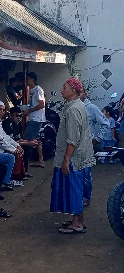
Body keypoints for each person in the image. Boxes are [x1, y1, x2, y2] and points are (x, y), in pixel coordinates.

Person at [50, 78, 95, 234]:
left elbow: (72, 139)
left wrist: (66, 159)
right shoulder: (77, 106)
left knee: (74, 189)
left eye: (65, 87)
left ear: (73, 91)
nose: (62, 89)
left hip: (75, 158)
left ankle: (76, 223)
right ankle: (79, 219)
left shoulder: (73, 110)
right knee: (78, 188)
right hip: (81, 156)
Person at [80, 89, 109, 206]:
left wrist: (98, 138)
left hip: (86, 147)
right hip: (72, 147)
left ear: (85, 94)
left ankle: (86, 198)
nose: (78, 94)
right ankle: (76, 198)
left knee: (86, 174)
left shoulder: (91, 108)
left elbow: (105, 123)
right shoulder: (71, 107)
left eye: (80, 92)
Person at [0, 102, 24, 187]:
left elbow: (6, 137)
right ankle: (5, 181)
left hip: (2, 148)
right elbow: (1, 141)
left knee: (19, 152)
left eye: (3, 110)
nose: (2, 112)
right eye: (0, 109)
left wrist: (16, 145)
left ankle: (8, 180)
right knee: (11, 156)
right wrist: (13, 149)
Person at [3, 106, 39, 179]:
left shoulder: (16, 125)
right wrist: (28, 143)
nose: (19, 118)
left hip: (13, 144)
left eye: (20, 116)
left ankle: (24, 171)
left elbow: (19, 139)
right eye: (17, 115)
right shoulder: (7, 124)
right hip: (6, 145)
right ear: (10, 115)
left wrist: (30, 142)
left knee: (25, 147)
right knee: (21, 148)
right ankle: (16, 175)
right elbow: (12, 141)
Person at [22, 72, 47, 168]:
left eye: (28, 79)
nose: (26, 81)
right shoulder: (31, 90)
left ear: (32, 79)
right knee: (36, 139)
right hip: (34, 118)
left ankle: (24, 162)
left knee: (26, 140)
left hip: (36, 119)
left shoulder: (38, 90)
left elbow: (42, 104)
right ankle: (40, 160)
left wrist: (29, 110)